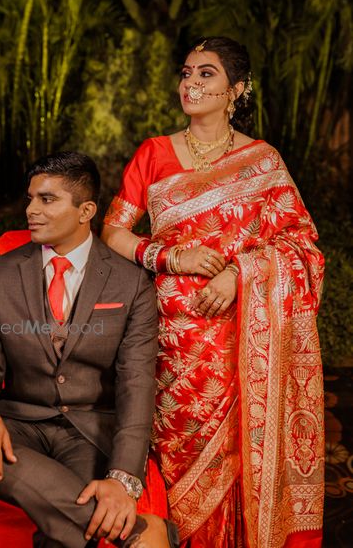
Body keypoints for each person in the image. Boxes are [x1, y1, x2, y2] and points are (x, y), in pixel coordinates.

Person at [101, 36, 325, 548]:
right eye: (187, 73)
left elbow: (302, 246)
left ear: (237, 90)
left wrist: (240, 273)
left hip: (242, 342)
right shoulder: (153, 153)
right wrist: (168, 257)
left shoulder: (263, 161)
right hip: (173, 340)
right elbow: (113, 231)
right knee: (175, 453)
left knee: (242, 453)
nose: (192, 84)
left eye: (207, 74)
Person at [0, 151, 179, 548]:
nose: (31, 210)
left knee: (61, 535)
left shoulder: (130, 283)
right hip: (20, 422)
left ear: (86, 211)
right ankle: (133, 534)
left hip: (89, 430)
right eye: (31, 198)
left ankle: (80, 526)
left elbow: (136, 384)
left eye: (47, 199)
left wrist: (121, 480)